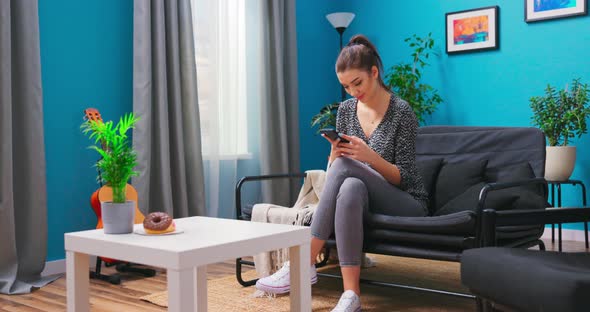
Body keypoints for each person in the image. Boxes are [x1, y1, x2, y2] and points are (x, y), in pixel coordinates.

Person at [256, 34, 428, 312]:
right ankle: (351, 295)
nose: (352, 91)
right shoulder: (346, 111)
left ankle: (304, 262)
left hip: (406, 201)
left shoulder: (401, 111)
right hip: (362, 194)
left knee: (348, 169)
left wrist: (369, 157)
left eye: (357, 83)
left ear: (374, 72)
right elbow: (335, 174)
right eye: (346, 86)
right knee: (349, 187)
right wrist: (334, 157)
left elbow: (404, 178)